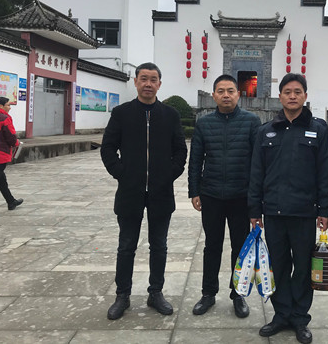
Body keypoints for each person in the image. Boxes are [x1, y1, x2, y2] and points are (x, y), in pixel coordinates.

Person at [249, 73, 328, 344]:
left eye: (298, 91)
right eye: (287, 92)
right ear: (281, 96)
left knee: (304, 267)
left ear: (305, 96)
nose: (293, 96)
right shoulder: (266, 131)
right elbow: (256, 173)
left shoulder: (318, 130)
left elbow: (325, 172)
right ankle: (281, 314)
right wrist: (254, 210)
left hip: (304, 212)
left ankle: (299, 317)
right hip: (273, 213)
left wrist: (324, 209)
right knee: (278, 266)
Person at [101, 62, 187, 320]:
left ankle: (155, 292)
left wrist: (168, 175)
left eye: (153, 79)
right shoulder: (122, 113)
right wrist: (122, 173)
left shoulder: (170, 115)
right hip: (130, 192)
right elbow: (108, 148)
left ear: (159, 84)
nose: (148, 84)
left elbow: (180, 151)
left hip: (161, 193)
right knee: (126, 245)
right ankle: (122, 295)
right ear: (136, 81)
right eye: (144, 79)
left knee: (159, 246)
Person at [188, 74, 261, 318]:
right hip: (211, 195)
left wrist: (256, 197)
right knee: (212, 245)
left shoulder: (251, 122)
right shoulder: (204, 123)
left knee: (240, 247)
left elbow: (258, 163)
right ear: (214, 95)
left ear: (238, 94)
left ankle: (238, 294)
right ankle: (208, 293)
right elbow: (196, 160)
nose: (226, 95)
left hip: (241, 196)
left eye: (231, 91)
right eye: (221, 91)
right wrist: (194, 191)